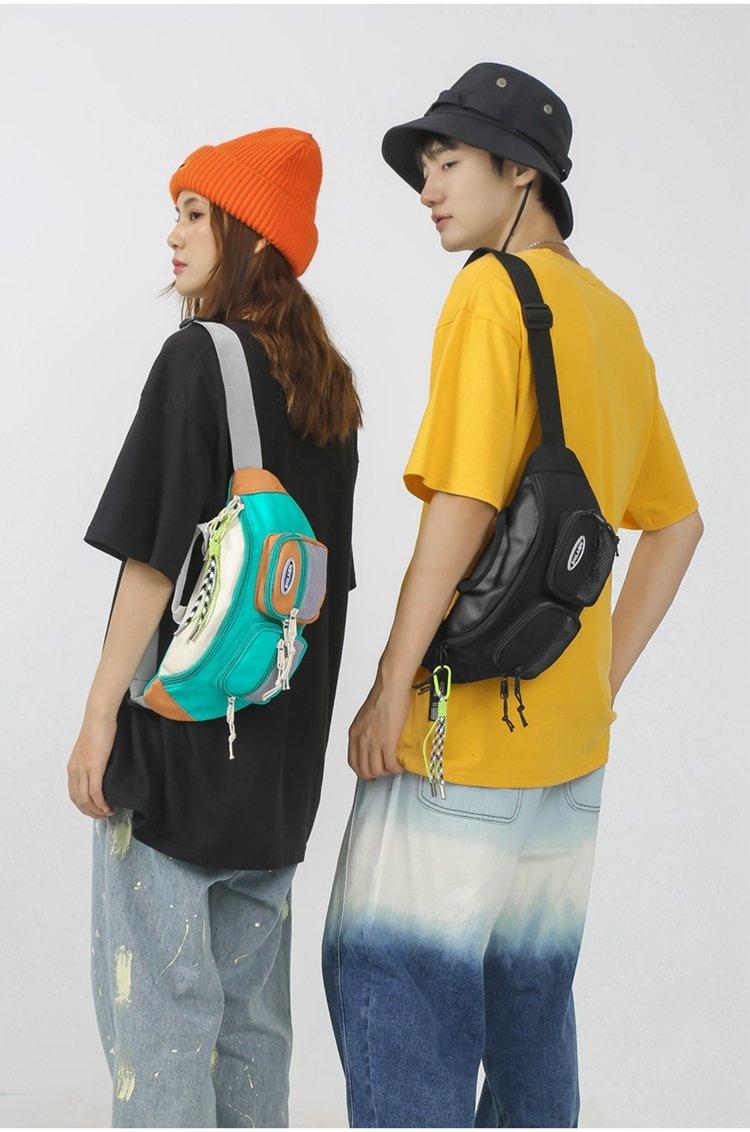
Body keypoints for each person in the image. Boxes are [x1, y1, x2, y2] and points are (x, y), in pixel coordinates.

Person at [322, 63, 703, 1128]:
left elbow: (464, 505)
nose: (429, 189)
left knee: (398, 990)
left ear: (521, 172)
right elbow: (676, 525)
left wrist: (392, 686)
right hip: (572, 751)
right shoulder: (614, 318)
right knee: (531, 1012)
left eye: (449, 163)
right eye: (425, 169)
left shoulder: (492, 292)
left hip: (466, 734)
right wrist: (600, 681)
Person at [68, 126, 361, 1127]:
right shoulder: (329, 388)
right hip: (278, 764)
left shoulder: (199, 357)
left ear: (253, 234)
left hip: (179, 745)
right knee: (250, 1033)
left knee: (159, 1022)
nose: (174, 234)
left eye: (196, 214)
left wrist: (102, 719)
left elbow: (153, 558)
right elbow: (326, 588)